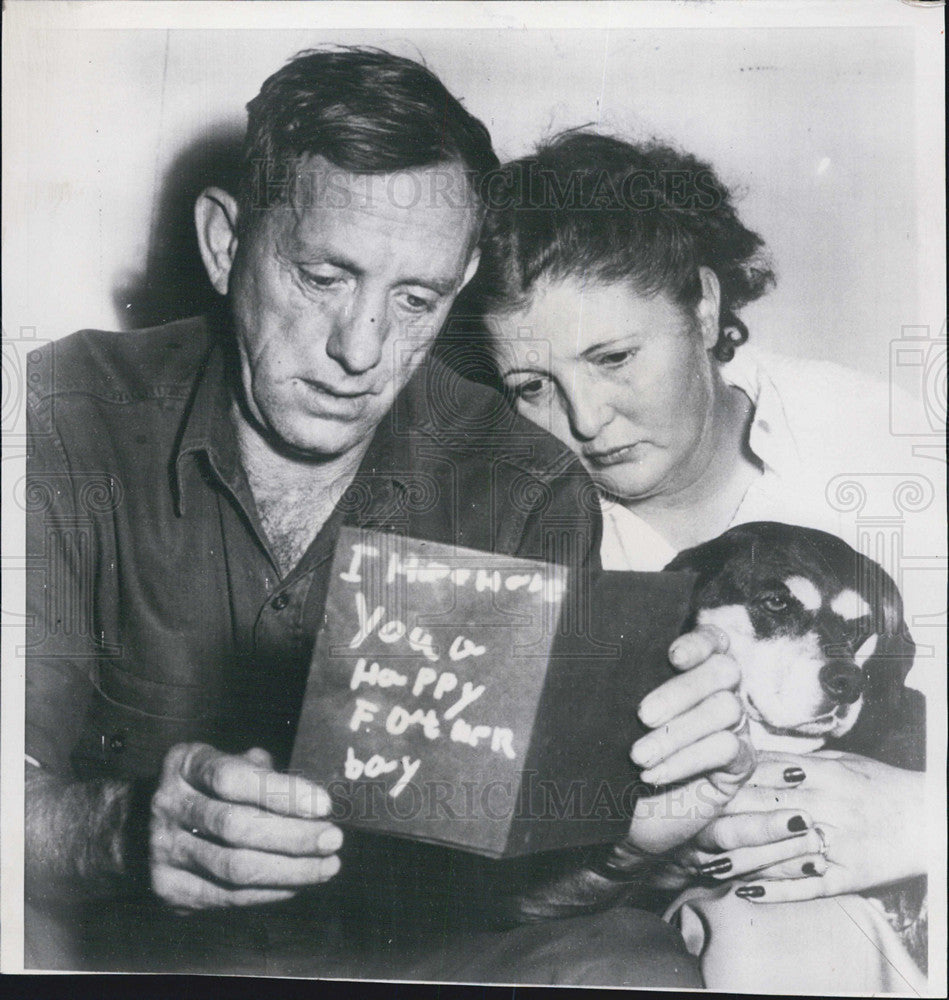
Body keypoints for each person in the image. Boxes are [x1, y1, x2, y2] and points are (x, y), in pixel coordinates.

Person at [24, 49, 754, 984]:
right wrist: (125, 831)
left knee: (632, 964)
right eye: (324, 278)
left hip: (409, 964)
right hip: (119, 961)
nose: (359, 349)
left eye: (415, 300)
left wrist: (620, 843)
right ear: (222, 243)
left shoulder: (524, 484)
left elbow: (496, 897)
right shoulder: (66, 413)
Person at [458, 129, 934, 992]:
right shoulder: (508, 541)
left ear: (704, 307)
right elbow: (484, 898)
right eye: (532, 387)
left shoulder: (888, 444)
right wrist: (642, 857)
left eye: (613, 358)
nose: (587, 420)